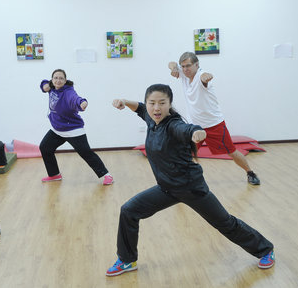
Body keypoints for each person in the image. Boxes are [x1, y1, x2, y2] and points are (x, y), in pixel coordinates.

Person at [106, 84, 274, 277]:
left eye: (162, 103)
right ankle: (127, 260)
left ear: (170, 104)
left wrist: (196, 132)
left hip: (191, 188)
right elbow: (140, 108)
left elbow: (186, 129)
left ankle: (265, 249)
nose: (156, 108)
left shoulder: (173, 125)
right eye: (152, 103)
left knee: (225, 223)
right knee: (129, 211)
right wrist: (124, 101)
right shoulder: (150, 117)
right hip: (166, 188)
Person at [168, 52, 260, 185]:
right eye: (183, 66)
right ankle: (179, 180)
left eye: (188, 66)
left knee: (231, 151)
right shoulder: (183, 74)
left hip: (213, 125)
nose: (185, 69)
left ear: (197, 65)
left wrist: (206, 77)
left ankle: (250, 173)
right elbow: (170, 63)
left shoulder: (201, 76)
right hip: (194, 127)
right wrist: (174, 68)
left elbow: (205, 78)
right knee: (185, 153)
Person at [38, 69, 113, 185]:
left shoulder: (68, 92)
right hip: (57, 129)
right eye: (56, 78)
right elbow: (43, 83)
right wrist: (45, 86)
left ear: (65, 80)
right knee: (45, 147)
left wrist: (82, 103)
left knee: (86, 153)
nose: (58, 80)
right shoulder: (51, 87)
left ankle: (106, 175)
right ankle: (54, 174)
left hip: (73, 129)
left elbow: (75, 98)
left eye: (61, 78)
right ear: (52, 80)